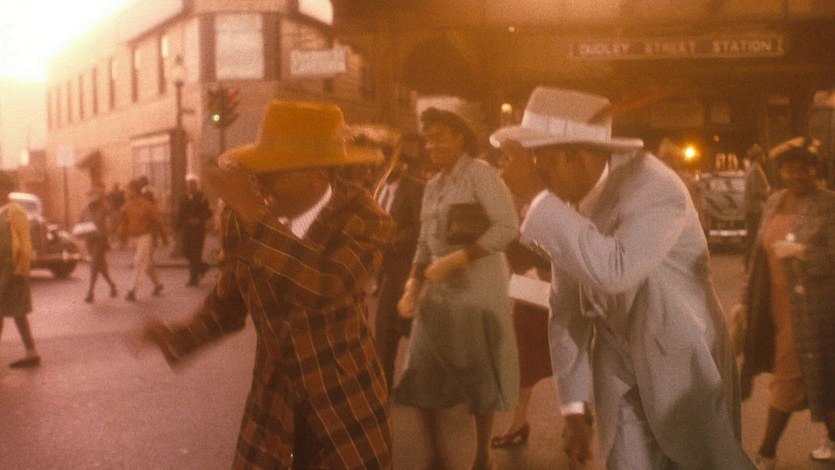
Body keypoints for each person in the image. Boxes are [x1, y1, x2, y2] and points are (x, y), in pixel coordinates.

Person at [493, 86, 754, 469]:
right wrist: (574, 409)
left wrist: (536, 195)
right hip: (617, 367)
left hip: (683, 358)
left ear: (571, 155)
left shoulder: (655, 187)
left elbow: (616, 271)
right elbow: (566, 312)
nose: (538, 176)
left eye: (540, 163)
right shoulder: (570, 202)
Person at [141, 100, 395, 469]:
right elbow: (229, 301)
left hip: (344, 400)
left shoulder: (366, 220)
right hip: (274, 401)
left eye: (272, 173)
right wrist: (178, 336)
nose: (260, 183)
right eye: (258, 172)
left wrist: (254, 215)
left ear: (317, 175)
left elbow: (322, 286)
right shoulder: (247, 219)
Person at [394, 107, 519, 470]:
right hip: (438, 286)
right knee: (420, 367)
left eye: (440, 137)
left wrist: (457, 259)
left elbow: (507, 227)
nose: (431, 145)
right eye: (428, 139)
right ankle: (435, 456)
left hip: (479, 285)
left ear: (461, 137)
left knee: (479, 369)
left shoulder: (481, 174)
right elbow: (424, 240)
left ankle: (482, 456)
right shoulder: (433, 185)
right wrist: (412, 284)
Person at [737, 136, 835, 469]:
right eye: (790, 169)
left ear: (815, 171)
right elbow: (757, 256)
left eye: (805, 169)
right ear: (781, 172)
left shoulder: (828, 203)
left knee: (788, 376)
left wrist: (804, 253)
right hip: (774, 304)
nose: (797, 175)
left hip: (814, 308)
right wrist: (745, 301)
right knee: (819, 375)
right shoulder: (774, 201)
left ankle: (766, 453)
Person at [490, 239, 552, 449]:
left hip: (569, 281)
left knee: (573, 356)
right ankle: (519, 422)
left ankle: (577, 421)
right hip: (534, 284)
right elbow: (511, 237)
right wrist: (526, 270)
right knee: (525, 355)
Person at [373, 152, 426, 389]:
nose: (380, 165)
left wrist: (392, 238)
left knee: (392, 329)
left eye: (385, 160)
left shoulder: (415, 188)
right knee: (386, 332)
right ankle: (383, 387)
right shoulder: (379, 186)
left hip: (406, 269)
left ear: (396, 160)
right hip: (386, 270)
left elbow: (422, 228)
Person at [0, 171, 40, 368]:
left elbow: (24, 243)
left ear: (5, 189)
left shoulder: (15, 211)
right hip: (1, 268)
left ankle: (31, 352)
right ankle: (31, 351)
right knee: (10, 312)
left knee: (17, 311)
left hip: (12, 268)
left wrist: (21, 269)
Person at [119, 180, 167, 301]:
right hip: (133, 238)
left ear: (135, 191)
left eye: (129, 190)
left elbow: (158, 222)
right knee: (146, 262)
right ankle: (158, 284)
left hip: (145, 237)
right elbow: (123, 223)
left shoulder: (147, 205)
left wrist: (164, 237)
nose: (127, 192)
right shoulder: (126, 206)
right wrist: (122, 238)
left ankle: (132, 291)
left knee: (139, 262)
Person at [78, 188, 118, 303]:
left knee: (94, 263)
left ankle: (90, 292)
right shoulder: (84, 210)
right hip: (89, 240)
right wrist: (81, 231)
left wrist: (110, 232)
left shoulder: (104, 208)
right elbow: (79, 223)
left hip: (101, 239)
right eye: (90, 196)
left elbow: (113, 220)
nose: (92, 199)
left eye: (94, 196)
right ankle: (112, 285)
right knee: (100, 266)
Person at [175, 173, 212, 286]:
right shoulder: (184, 198)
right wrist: (176, 228)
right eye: (188, 184)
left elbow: (208, 212)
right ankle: (203, 267)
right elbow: (180, 214)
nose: (190, 186)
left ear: (196, 185)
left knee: (195, 253)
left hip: (198, 231)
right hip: (187, 230)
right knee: (186, 252)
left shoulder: (202, 198)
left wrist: (199, 219)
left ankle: (193, 279)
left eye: (192, 184)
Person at [743, 143, 770, 266]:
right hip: (755, 208)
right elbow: (756, 190)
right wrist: (768, 194)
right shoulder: (755, 169)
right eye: (762, 155)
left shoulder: (752, 168)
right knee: (754, 237)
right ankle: (750, 262)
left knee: (752, 236)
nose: (764, 158)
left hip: (752, 208)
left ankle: (749, 262)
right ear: (758, 156)